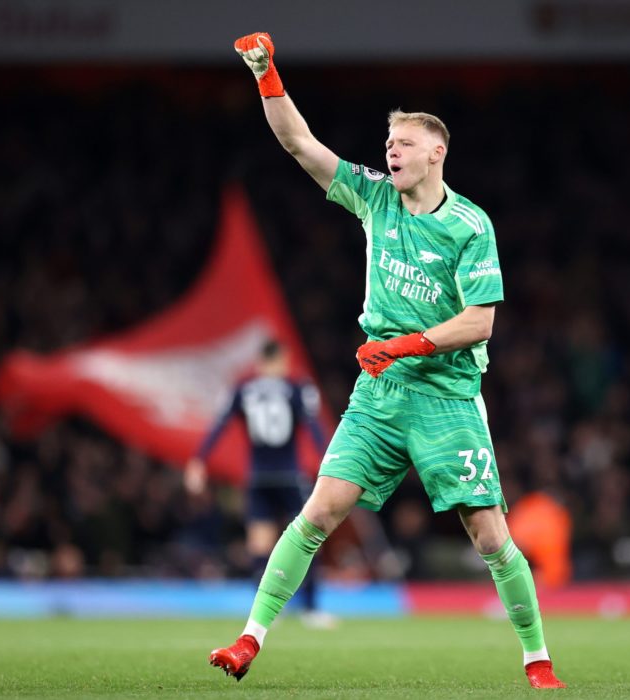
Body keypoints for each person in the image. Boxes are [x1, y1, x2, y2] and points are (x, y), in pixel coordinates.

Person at [206, 32, 565, 690]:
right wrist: (267, 74)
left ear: (437, 152)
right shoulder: (374, 198)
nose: (390, 152)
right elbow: (299, 144)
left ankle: (536, 658)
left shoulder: (470, 226)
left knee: (489, 537)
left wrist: (405, 343)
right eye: (387, 145)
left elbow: (481, 321)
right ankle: (248, 639)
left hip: (447, 396)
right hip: (379, 394)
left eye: (402, 144)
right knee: (319, 511)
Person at [184, 339, 334, 627]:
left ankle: (263, 614)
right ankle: (312, 609)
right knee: (309, 538)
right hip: (290, 475)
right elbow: (315, 430)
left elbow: (219, 425)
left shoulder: (243, 389)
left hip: (258, 477)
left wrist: (198, 460)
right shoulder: (297, 387)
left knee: (259, 543)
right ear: (278, 361)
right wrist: (330, 463)